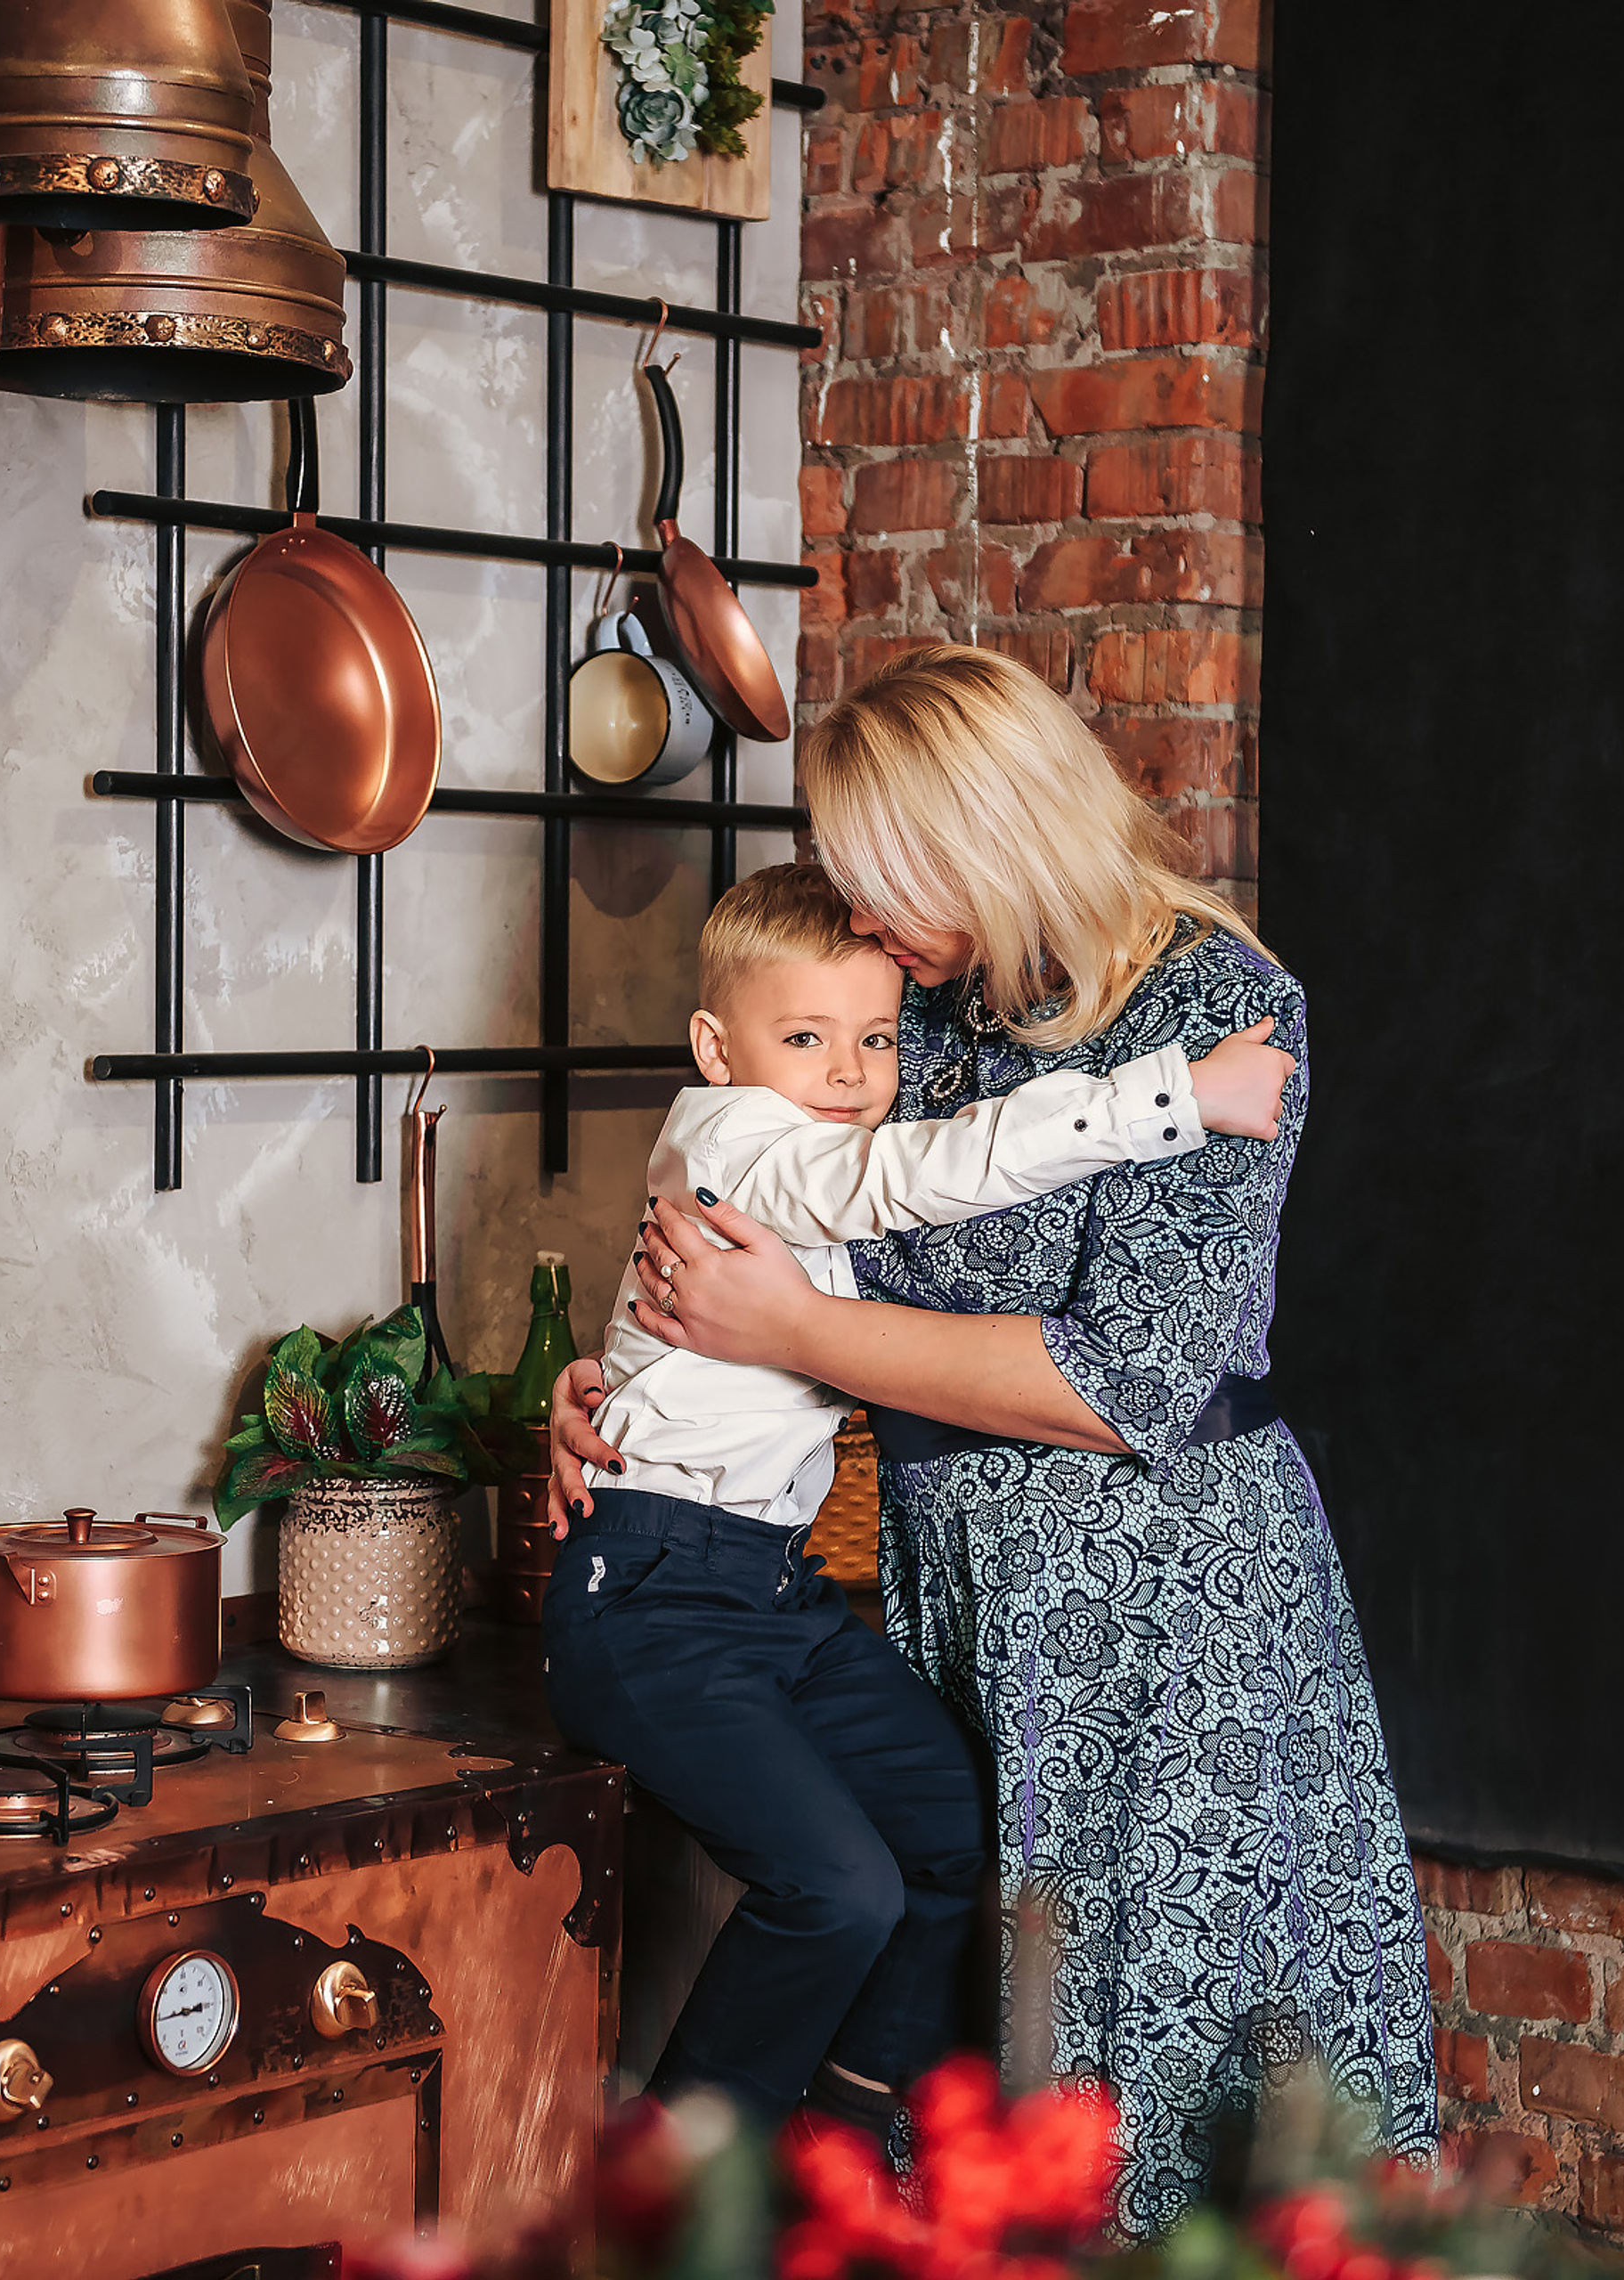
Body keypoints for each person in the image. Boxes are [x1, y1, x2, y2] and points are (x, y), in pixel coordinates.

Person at [551, 646, 1437, 2229]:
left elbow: (1130, 1382)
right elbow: (780, 1214)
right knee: (981, 2046)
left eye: (882, 880)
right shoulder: (920, 1009)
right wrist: (628, 1394)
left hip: (1166, 1608)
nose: (861, 919)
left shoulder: (1223, 1007)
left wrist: (786, 1335)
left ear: (985, 839)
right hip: (956, 1592)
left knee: (1162, 2066)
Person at [543, 861, 1295, 2152]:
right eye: (805, 1039)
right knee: (838, 1889)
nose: (847, 1072)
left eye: (876, 1037)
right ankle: (668, 2196)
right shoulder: (738, 1138)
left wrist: (615, 1380)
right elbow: (918, 1178)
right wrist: (1182, 1095)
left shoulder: (816, 1123)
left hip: (773, 1593)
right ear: (717, 1050)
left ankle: (848, 2143)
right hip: (658, 1594)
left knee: (955, 1833)